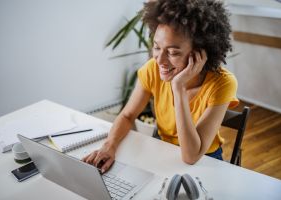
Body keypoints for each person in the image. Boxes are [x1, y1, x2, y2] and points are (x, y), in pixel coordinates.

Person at [83, 0, 239, 173]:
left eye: (173, 52)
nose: (160, 60)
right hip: (163, 151)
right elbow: (128, 115)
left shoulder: (222, 83)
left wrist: (178, 87)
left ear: (201, 54)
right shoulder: (152, 69)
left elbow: (191, 156)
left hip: (205, 160)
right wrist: (109, 146)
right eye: (157, 47)